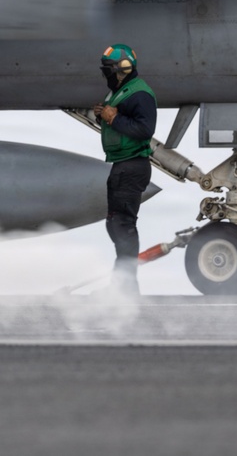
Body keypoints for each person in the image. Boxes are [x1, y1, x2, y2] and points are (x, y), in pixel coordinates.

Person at [93, 43, 157, 294]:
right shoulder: (121, 91)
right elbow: (120, 119)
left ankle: (126, 287)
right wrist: (104, 115)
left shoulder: (139, 93)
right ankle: (121, 282)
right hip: (123, 164)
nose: (106, 74)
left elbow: (144, 129)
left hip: (133, 166)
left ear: (124, 68)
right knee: (115, 223)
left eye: (109, 69)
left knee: (123, 224)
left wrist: (113, 118)